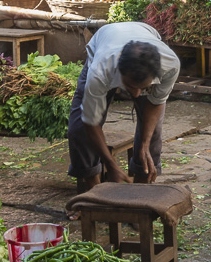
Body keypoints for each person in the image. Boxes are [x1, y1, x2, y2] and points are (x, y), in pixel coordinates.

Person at [67, 23, 180, 195]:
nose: (135, 94)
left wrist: (144, 144)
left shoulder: (170, 65)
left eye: (142, 88)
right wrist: (111, 165)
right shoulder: (100, 70)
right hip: (104, 43)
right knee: (79, 130)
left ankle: (138, 197)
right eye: (130, 86)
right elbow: (90, 122)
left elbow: (156, 103)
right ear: (119, 72)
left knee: (153, 134)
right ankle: (92, 195)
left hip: (144, 36)